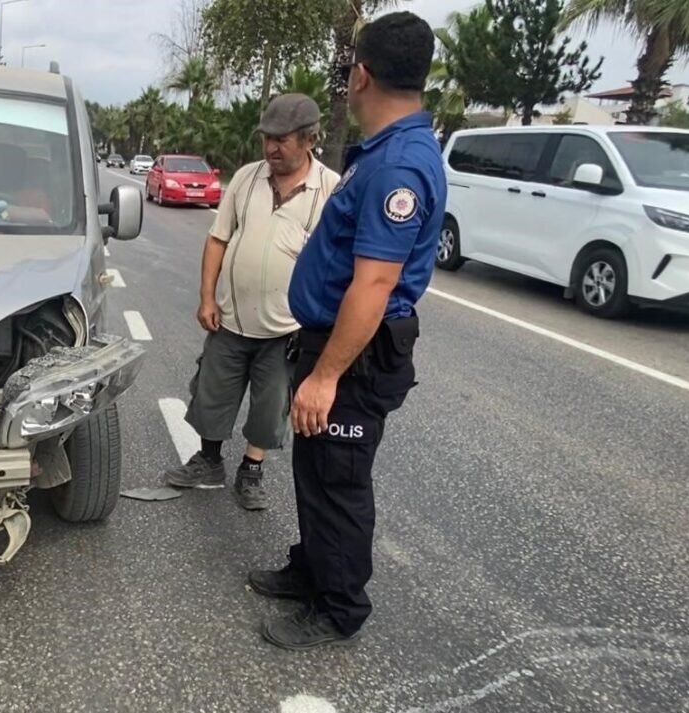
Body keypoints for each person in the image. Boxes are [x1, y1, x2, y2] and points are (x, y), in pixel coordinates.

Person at [248, 12, 446, 649]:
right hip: (332, 344)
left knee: (339, 480)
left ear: (361, 75)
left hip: (353, 358)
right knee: (317, 469)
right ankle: (312, 571)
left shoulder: (397, 167)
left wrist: (326, 376)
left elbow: (375, 284)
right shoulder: (386, 152)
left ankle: (338, 608)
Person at [162, 94, 340, 511]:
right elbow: (218, 238)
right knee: (211, 393)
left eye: (282, 139)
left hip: (287, 330)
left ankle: (251, 471)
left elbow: (335, 263)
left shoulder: (330, 189)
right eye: (267, 138)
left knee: (271, 405)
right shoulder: (246, 178)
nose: (271, 148)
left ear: (310, 139)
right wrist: (207, 297)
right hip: (231, 319)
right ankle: (208, 460)